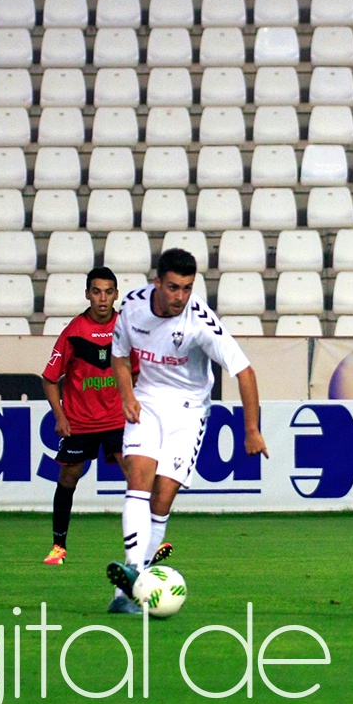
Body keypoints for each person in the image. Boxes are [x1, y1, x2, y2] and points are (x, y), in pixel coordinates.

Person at [104, 248, 268, 606]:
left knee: (162, 498)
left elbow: (245, 372)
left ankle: (133, 583)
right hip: (146, 401)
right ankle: (131, 574)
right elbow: (118, 356)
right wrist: (127, 395)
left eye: (187, 288)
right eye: (173, 287)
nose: (180, 296)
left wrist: (252, 429)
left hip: (188, 411)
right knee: (139, 478)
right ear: (157, 283)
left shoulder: (200, 322)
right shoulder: (132, 306)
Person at [40, 268, 148, 612]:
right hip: (82, 422)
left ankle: (143, 548)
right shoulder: (73, 332)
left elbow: (137, 371)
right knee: (69, 477)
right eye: (97, 291)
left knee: (136, 477)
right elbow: (49, 378)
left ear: (116, 294)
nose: (102, 298)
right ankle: (59, 546)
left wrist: (132, 400)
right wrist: (60, 416)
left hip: (117, 420)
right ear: (87, 294)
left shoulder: (126, 328)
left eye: (108, 291)